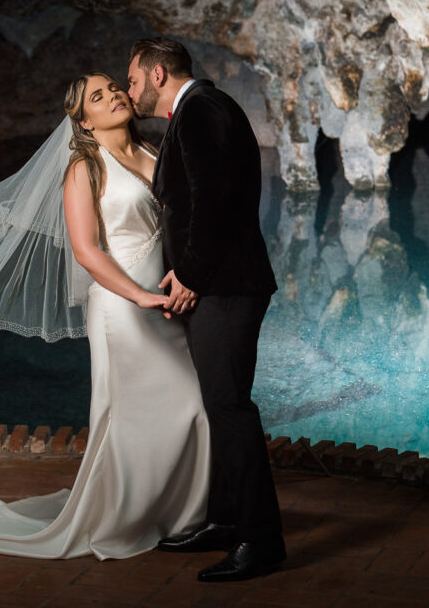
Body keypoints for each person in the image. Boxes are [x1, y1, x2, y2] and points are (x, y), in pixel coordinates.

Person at [0, 72, 211, 559]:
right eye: (98, 96)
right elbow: (87, 252)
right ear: (83, 122)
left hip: (167, 302)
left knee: (188, 410)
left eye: (114, 87)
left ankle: (180, 517)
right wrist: (140, 297)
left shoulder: (156, 152)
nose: (113, 95)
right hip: (124, 308)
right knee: (155, 413)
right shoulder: (84, 169)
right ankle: (124, 518)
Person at [126, 37, 285, 582]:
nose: (130, 91)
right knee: (219, 406)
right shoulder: (197, 111)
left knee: (231, 409)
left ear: (158, 73)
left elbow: (215, 201)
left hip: (227, 288)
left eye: (132, 80)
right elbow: (194, 203)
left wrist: (190, 275)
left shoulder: (202, 110)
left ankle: (261, 542)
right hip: (220, 286)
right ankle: (224, 519)